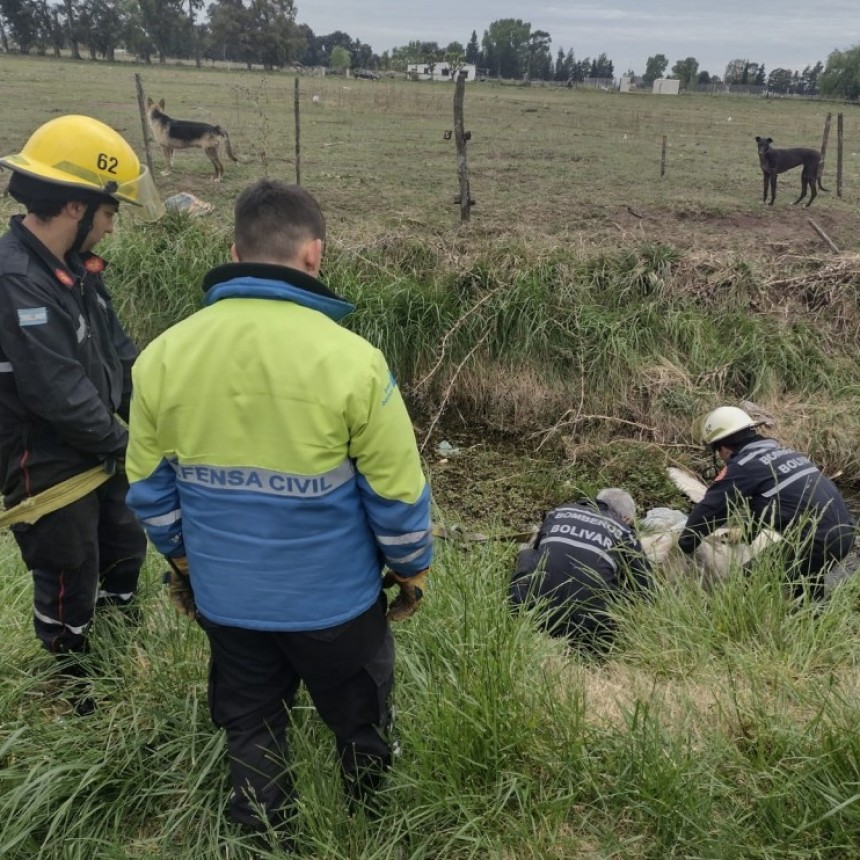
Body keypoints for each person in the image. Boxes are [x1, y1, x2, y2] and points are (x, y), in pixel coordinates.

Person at [125, 179, 433, 839]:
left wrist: (185, 566)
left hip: (227, 602)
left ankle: (262, 837)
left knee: (251, 725)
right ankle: (369, 821)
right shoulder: (355, 363)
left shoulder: (161, 359)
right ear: (314, 255)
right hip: (338, 607)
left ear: (234, 250)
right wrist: (412, 572)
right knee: (360, 717)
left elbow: (151, 494)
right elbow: (398, 496)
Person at [0, 115, 162, 711]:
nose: (113, 228)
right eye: (110, 212)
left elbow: (118, 356)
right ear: (76, 206)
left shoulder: (79, 272)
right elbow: (56, 391)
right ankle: (74, 691)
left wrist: (158, 409)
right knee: (71, 569)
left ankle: (120, 658)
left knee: (124, 547)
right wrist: (131, 445)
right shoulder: (16, 280)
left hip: (101, 446)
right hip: (46, 460)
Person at [678, 405, 856, 600]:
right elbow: (774, 506)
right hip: (844, 533)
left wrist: (685, 544)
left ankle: (753, 628)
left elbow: (711, 509)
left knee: (746, 581)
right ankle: (816, 619)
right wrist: (746, 534)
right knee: (805, 582)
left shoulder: (744, 466)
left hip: (816, 542)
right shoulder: (787, 454)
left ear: (723, 447)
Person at [509, 488, 652, 650]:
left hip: (534, 615)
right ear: (626, 518)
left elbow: (540, 554)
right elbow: (645, 590)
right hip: (590, 633)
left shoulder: (559, 512)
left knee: (528, 554)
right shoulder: (624, 530)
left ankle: (515, 613)